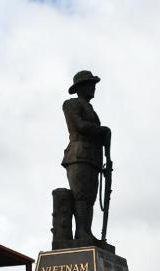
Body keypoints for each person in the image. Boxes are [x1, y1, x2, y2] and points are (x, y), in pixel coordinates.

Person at [62, 70, 111, 242]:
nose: (93, 88)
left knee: (89, 197)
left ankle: (86, 231)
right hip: (79, 154)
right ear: (81, 87)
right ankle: (81, 232)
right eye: (90, 84)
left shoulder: (90, 108)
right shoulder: (71, 104)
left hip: (92, 157)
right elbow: (79, 125)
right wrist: (101, 130)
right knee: (81, 195)